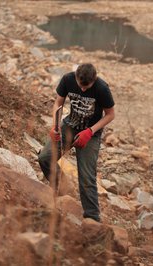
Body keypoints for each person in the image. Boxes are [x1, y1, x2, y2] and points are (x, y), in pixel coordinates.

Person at [38, 63, 115, 222]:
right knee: (45, 157)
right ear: (76, 78)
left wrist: (90, 131)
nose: (84, 89)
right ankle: (63, 190)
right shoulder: (67, 79)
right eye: (81, 86)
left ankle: (92, 218)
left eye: (88, 86)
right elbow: (57, 103)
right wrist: (54, 126)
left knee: (86, 177)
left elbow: (110, 114)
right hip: (69, 126)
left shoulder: (102, 88)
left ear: (94, 79)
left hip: (90, 134)